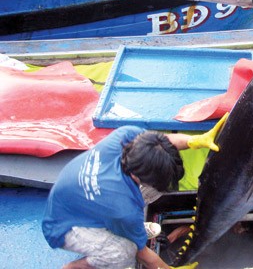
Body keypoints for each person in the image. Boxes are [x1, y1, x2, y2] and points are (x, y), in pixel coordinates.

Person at [42, 115, 227, 269]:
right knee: (124, 253)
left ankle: (126, 230)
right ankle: (74, 267)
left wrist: (194, 140)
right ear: (143, 176)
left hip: (79, 200)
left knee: (153, 192)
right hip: (65, 227)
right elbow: (144, 255)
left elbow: (163, 142)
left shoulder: (127, 136)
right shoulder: (123, 208)